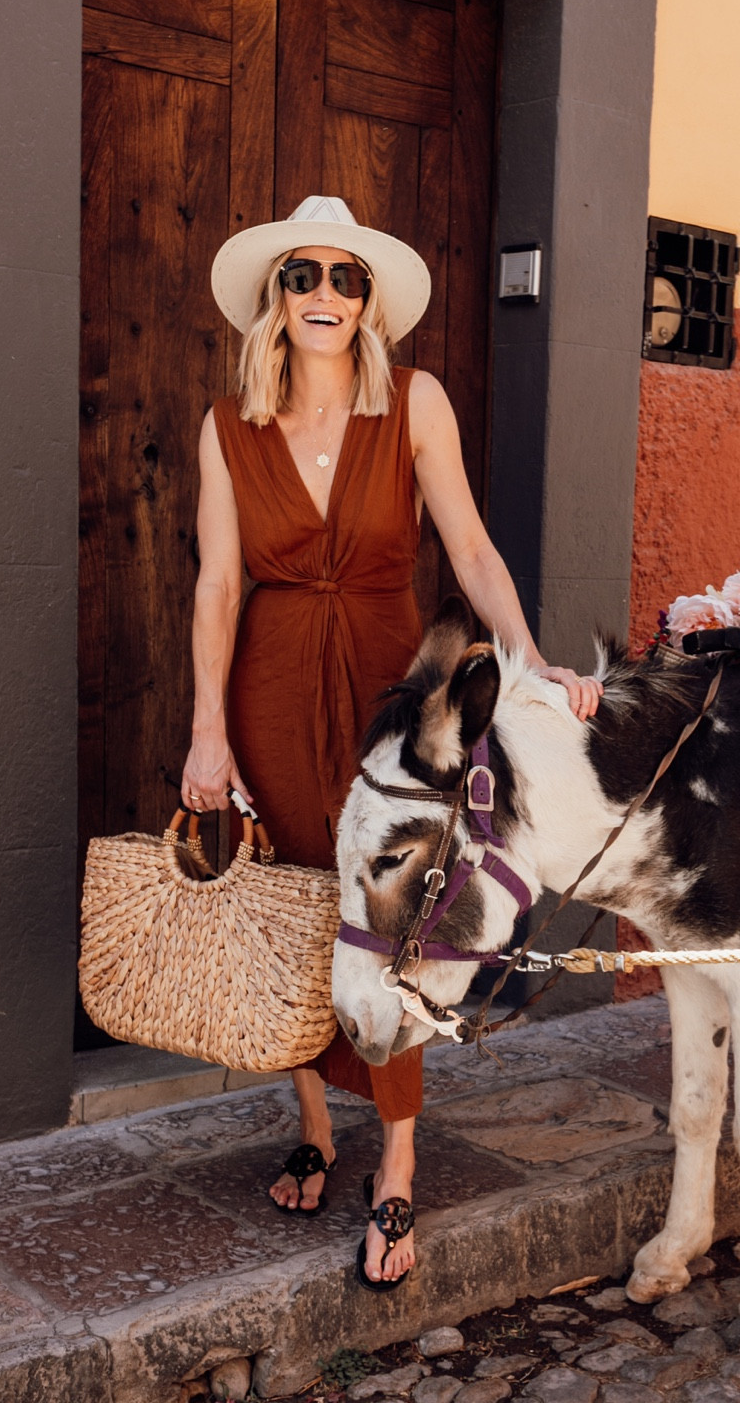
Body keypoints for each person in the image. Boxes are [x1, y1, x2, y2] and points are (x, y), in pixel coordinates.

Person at [184, 195, 600, 1285]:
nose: (324, 294)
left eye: (345, 278)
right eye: (303, 276)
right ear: (274, 298)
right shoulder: (228, 424)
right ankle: (318, 1124)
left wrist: (529, 660)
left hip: (387, 682)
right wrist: (206, 730)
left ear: (369, 304)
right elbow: (219, 584)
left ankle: (398, 1157)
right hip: (271, 683)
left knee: (390, 904)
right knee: (296, 900)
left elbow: (466, 544)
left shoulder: (413, 403)